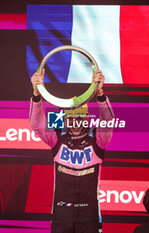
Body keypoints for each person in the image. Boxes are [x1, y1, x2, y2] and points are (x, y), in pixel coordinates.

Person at [30, 69, 114, 233]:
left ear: (86, 118)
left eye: (79, 118)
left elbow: (109, 122)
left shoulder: (97, 138)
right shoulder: (57, 136)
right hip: (62, 214)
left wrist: (100, 94)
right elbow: (37, 125)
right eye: (71, 118)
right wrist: (36, 95)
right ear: (65, 119)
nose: (75, 122)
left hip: (89, 215)